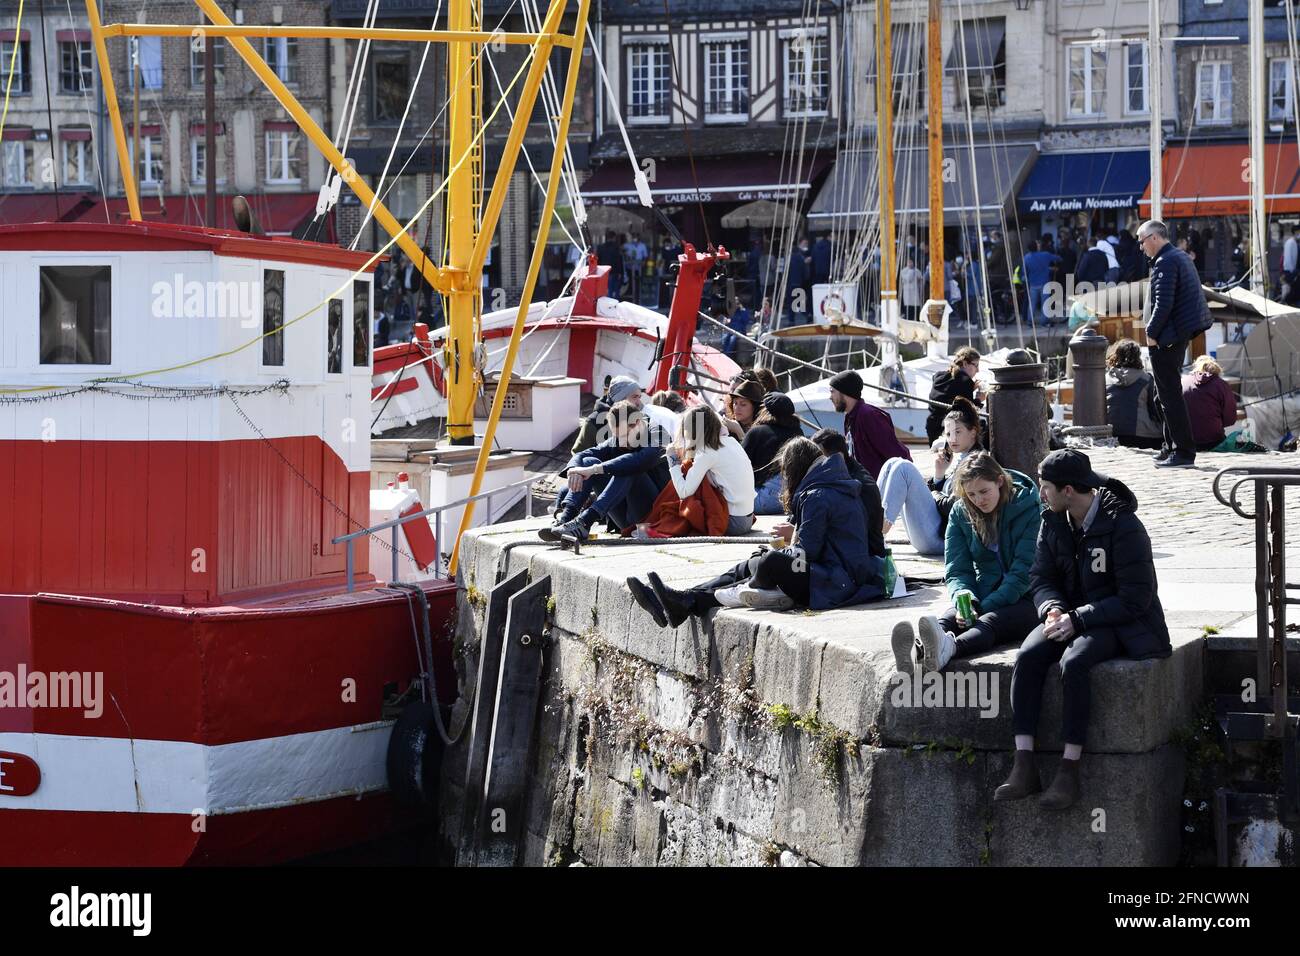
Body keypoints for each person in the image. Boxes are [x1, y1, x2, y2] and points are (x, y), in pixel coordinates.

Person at [995, 449, 1171, 811]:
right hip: (1068, 615)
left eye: (1046, 488)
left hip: (1114, 619)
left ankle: (1069, 768)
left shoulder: (1122, 525)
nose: (1041, 494)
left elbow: (1136, 597)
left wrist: (1080, 619)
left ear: (1069, 490)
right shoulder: (1054, 520)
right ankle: (1024, 763)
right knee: (1027, 656)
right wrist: (1052, 608)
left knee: (1074, 664)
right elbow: (1040, 577)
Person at [625, 438, 887, 623]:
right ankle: (681, 600)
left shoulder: (818, 494)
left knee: (770, 561)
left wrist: (783, 552)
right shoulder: (828, 485)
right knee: (752, 562)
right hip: (833, 572)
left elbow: (807, 553)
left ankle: (686, 601)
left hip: (834, 581)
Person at [891, 452, 1042, 674]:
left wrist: (980, 609)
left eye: (984, 491)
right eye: (971, 494)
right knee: (951, 617)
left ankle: (949, 648)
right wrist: (967, 602)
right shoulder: (960, 512)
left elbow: (1022, 574)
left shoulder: (1029, 509)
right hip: (985, 591)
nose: (979, 500)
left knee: (989, 622)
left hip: (1029, 597)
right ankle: (919, 650)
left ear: (999, 481)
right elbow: (957, 569)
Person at [543, 401, 671, 543]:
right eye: (618, 437)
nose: (621, 443)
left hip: (652, 514)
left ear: (637, 423)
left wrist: (594, 470)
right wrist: (574, 470)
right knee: (588, 461)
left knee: (629, 467)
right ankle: (566, 520)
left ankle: (585, 521)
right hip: (624, 518)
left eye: (624, 436)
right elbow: (582, 455)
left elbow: (641, 460)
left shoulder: (658, 433)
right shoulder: (618, 439)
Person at [1139, 219, 1212, 468]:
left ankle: (1183, 452)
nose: (1141, 247)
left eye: (1142, 241)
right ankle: (1170, 446)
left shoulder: (1165, 261)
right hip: (1175, 335)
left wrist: (1151, 331)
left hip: (1166, 338)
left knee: (1169, 396)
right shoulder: (1177, 256)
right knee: (1163, 396)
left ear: (1154, 238)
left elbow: (1164, 303)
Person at [877, 396, 982, 556]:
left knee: (904, 468)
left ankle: (877, 533)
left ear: (973, 432)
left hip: (946, 540)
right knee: (892, 462)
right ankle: (872, 524)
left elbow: (954, 506)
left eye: (957, 432)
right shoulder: (959, 458)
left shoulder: (976, 461)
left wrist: (933, 493)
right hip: (934, 534)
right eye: (948, 433)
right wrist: (939, 475)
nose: (952, 439)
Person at [665, 404, 757, 535]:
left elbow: (684, 492)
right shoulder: (731, 441)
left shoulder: (707, 451)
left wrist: (672, 460)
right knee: (692, 472)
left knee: (687, 472)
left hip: (732, 522)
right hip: (747, 519)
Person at [811, 427, 886, 559]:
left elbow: (852, 532)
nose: (813, 462)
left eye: (818, 457)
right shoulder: (840, 475)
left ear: (837, 457)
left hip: (865, 558)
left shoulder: (858, 486)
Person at [828, 370, 912, 482]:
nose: (830, 397)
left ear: (845, 392)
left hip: (880, 489)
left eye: (832, 391)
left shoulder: (868, 415)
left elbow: (895, 453)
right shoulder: (850, 417)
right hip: (864, 486)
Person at [745, 392, 805, 514]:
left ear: (765, 410)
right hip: (790, 500)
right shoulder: (798, 433)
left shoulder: (757, 432)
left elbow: (738, 465)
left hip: (764, 499)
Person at [1104, 338, 1163, 450]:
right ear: (1138, 356)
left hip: (1113, 434)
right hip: (1142, 437)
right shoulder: (1146, 379)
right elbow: (1155, 410)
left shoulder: (1105, 379)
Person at [571, 374, 650, 455]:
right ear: (619, 399)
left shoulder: (640, 420)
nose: (639, 403)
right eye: (634, 397)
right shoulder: (594, 423)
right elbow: (578, 455)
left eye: (639, 397)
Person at [925, 346, 982, 443]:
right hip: (951, 431)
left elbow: (946, 394)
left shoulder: (938, 376)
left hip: (933, 428)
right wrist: (979, 399)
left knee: (940, 458)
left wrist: (970, 388)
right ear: (964, 363)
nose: (978, 370)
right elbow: (968, 413)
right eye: (976, 365)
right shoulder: (965, 381)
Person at [1182, 355, 1238, 451]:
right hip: (1213, 439)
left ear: (1195, 366)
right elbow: (1230, 419)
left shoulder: (1183, 382)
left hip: (1186, 440)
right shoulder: (1221, 385)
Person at [1023, 240, 1061, 326]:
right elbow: (1058, 258)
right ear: (1036, 247)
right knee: (1045, 303)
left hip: (1033, 284)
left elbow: (1024, 271)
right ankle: (1044, 322)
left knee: (1032, 303)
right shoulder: (1045, 255)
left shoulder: (1026, 257)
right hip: (1044, 283)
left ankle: (1030, 321)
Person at [722, 376, 765, 441]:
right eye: (735, 403)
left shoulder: (761, 431)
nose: (737, 408)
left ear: (755, 407)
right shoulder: (728, 425)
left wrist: (739, 432)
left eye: (743, 404)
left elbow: (750, 450)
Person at [899, 258, 923, 324]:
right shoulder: (904, 271)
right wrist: (911, 271)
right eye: (909, 262)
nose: (910, 263)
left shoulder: (917, 270)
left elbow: (920, 278)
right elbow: (908, 278)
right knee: (908, 309)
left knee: (916, 307)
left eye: (911, 262)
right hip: (907, 292)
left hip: (915, 292)